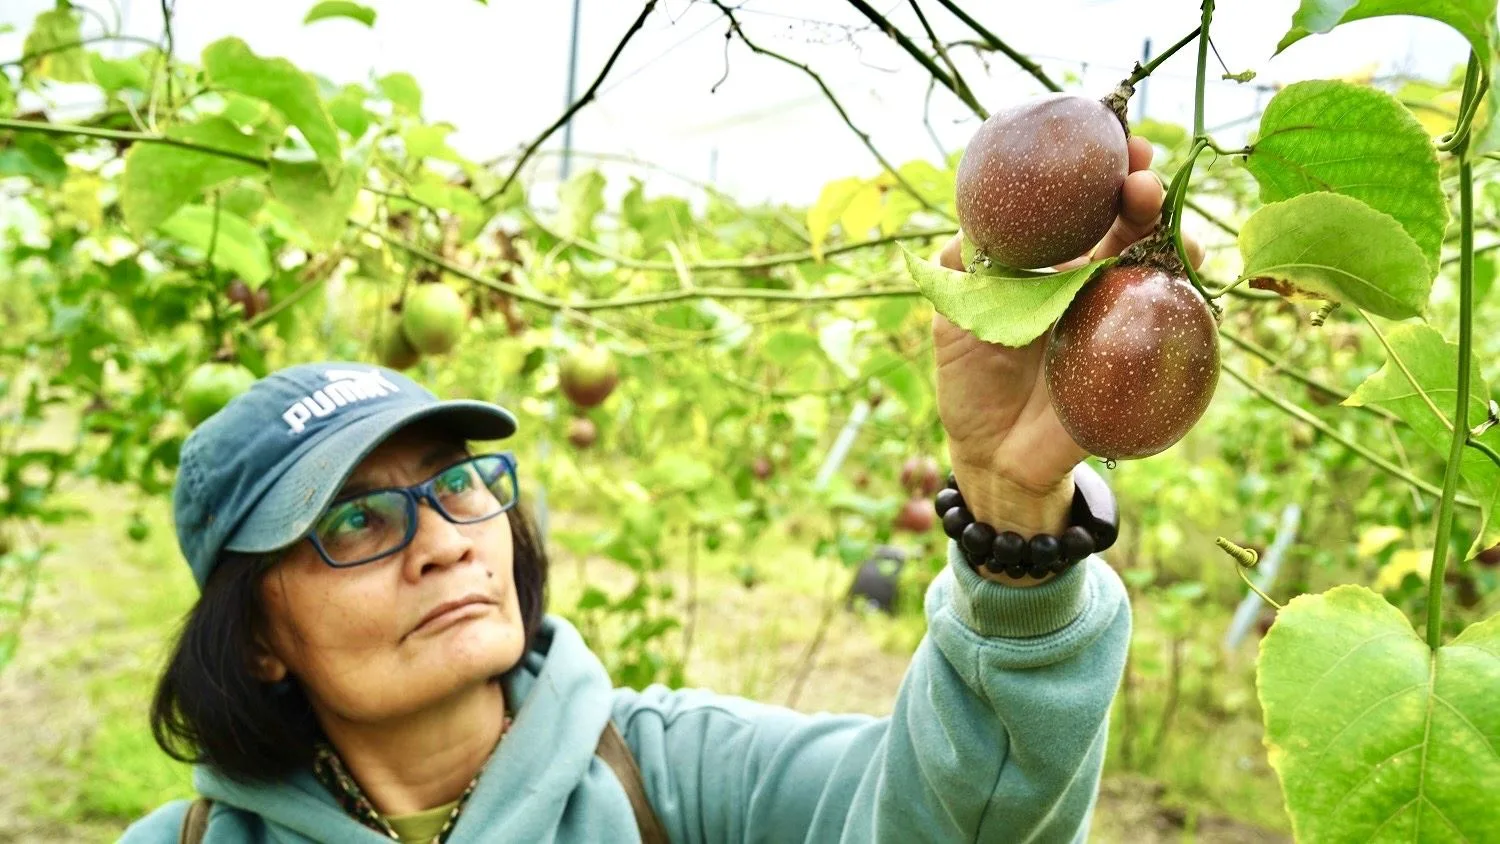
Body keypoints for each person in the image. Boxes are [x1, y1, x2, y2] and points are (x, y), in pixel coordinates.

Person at [120, 136, 1196, 843]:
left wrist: (1010, 510)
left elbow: (953, 817)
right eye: (354, 519)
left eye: (459, 487)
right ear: (255, 635)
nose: (446, 541)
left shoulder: (673, 778)